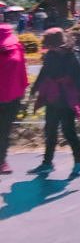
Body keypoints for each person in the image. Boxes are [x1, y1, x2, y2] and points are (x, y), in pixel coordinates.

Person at [28, 28, 80, 178]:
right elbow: (43, 73)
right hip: (53, 97)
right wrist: (33, 90)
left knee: (69, 131)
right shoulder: (50, 55)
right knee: (50, 131)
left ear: (58, 44)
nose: (49, 48)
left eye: (51, 46)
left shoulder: (72, 56)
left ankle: (79, 163)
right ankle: (47, 163)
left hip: (67, 99)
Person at [0, 23, 28, 175]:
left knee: (3, 131)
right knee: (4, 131)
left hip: (10, 97)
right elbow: (23, 72)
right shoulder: (17, 47)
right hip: (12, 97)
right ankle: (2, 162)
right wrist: (23, 89)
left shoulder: (17, 47)